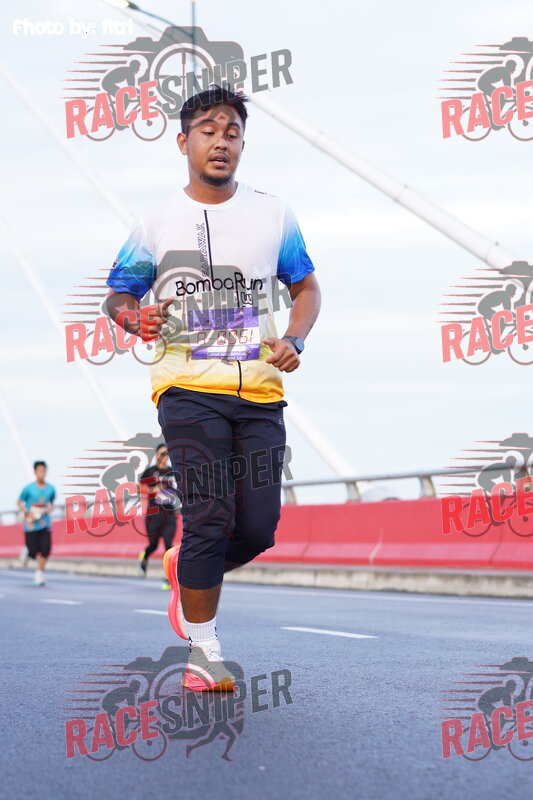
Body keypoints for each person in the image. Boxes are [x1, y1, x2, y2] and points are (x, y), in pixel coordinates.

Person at [105, 85, 321, 691]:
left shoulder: (274, 214)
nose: (221, 141)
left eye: (232, 132)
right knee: (208, 514)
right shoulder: (154, 222)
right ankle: (203, 654)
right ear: (184, 142)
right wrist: (132, 318)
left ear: (242, 144)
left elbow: (306, 287)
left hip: (260, 390)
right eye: (208, 131)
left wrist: (295, 339)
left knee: (257, 528)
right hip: (186, 387)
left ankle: (185, 567)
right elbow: (117, 295)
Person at [138, 443, 178, 589]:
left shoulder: (173, 472)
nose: (164, 456)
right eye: (162, 454)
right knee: (153, 545)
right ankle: (145, 556)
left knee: (169, 545)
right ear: (156, 455)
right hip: (153, 515)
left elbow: (180, 488)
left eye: (167, 453)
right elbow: (138, 488)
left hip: (169, 514)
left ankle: (169, 578)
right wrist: (153, 489)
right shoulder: (150, 471)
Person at [17, 461, 56, 586]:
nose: (42, 474)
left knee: (46, 549)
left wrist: (50, 508)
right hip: (31, 524)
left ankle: (39, 575)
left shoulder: (50, 489)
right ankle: (28, 551)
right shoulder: (28, 489)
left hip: (45, 523)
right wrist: (27, 512)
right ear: (35, 472)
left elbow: (52, 502)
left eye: (43, 471)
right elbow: (19, 502)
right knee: (33, 551)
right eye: (39, 471)